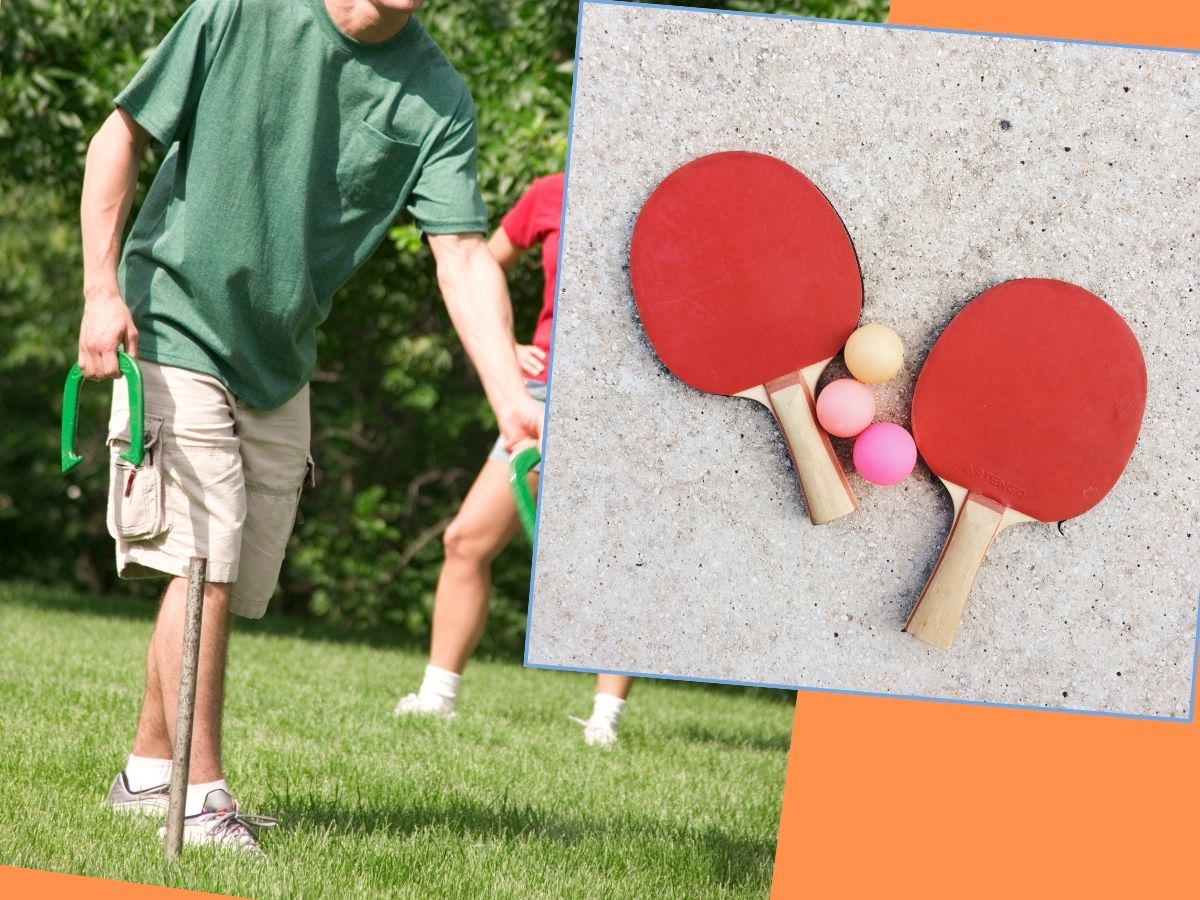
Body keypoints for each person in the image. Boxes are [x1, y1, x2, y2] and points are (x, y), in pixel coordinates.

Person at [79, 0, 539, 854]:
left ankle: (147, 774)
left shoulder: (436, 96)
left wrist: (509, 395)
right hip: (171, 316)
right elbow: (122, 133)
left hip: (279, 357)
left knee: (221, 579)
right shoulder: (243, 11)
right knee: (205, 555)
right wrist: (100, 290)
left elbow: (465, 255)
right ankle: (201, 797)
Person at [393, 173, 634, 747]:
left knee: (613, 561)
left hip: (624, 401)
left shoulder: (664, 194)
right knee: (466, 540)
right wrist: (507, 348)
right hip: (544, 391)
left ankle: (605, 721)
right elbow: (483, 263)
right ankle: (437, 697)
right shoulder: (551, 192)